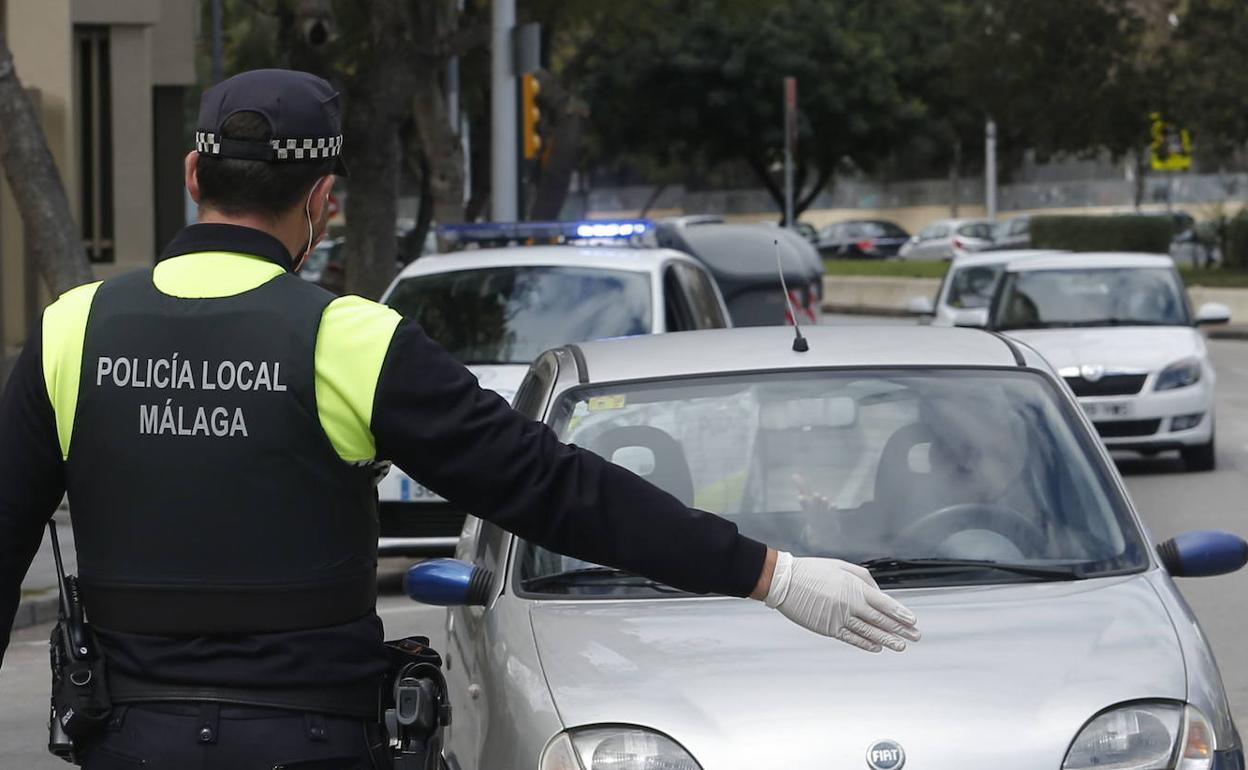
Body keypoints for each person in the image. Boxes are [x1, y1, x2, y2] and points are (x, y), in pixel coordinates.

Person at [0, 69, 919, 769]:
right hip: (311, 741)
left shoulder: (70, 331)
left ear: (195, 172)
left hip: (129, 739)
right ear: (322, 202)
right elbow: (553, 490)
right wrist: (771, 573)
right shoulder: (348, 341)